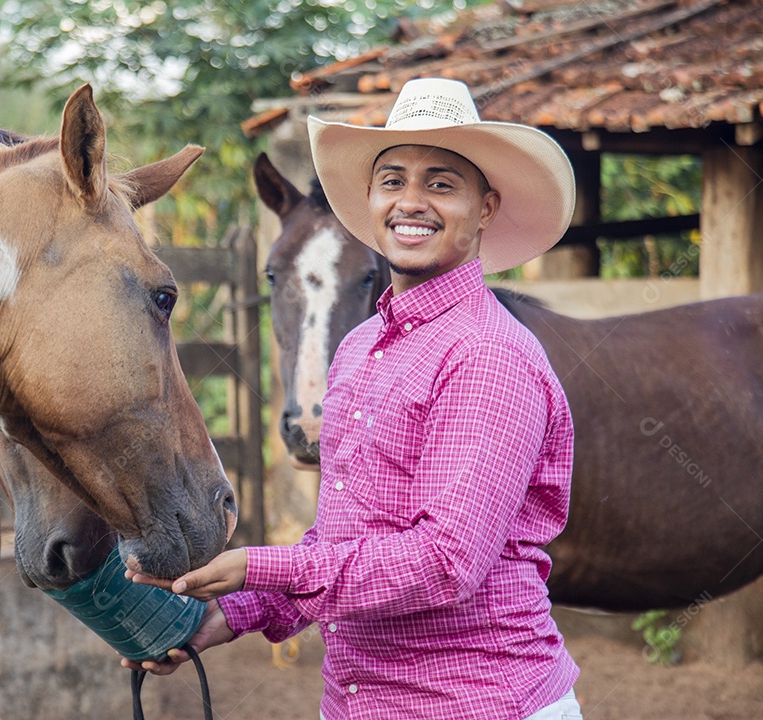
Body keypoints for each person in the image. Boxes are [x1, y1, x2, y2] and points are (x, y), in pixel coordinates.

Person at [124, 77, 583, 720]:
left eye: (442, 183)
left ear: (485, 208)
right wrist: (228, 615)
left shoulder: (488, 356)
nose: (411, 202)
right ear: (369, 200)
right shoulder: (361, 347)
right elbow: (347, 539)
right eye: (392, 180)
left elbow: (443, 565)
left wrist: (260, 568)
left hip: (475, 703)